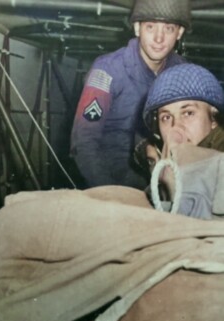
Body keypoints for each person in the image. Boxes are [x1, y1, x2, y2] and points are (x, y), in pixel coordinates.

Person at [70, 0, 189, 189]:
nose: (159, 38)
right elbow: (84, 143)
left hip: (164, 182)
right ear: (137, 28)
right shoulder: (107, 70)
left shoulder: (183, 72)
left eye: (168, 28)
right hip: (112, 181)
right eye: (150, 27)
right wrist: (108, 195)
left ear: (179, 32)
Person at [138, 63, 224, 219]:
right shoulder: (166, 166)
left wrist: (173, 185)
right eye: (166, 117)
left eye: (188, 113)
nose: (176, 127)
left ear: (213, 119)